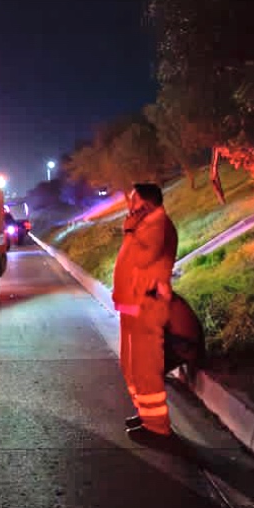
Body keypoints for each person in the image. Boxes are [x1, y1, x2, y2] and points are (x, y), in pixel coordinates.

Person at [111, 182, 180, 444]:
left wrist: (130, 230)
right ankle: (145, 414)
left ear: (148, 203)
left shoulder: (158, 224)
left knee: (146, 368)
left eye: (135, 201)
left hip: (146, 306)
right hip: (133, 305)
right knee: (131, 366)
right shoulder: (146, 224)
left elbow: (142, 258)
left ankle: (157, 427)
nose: (130, 207)